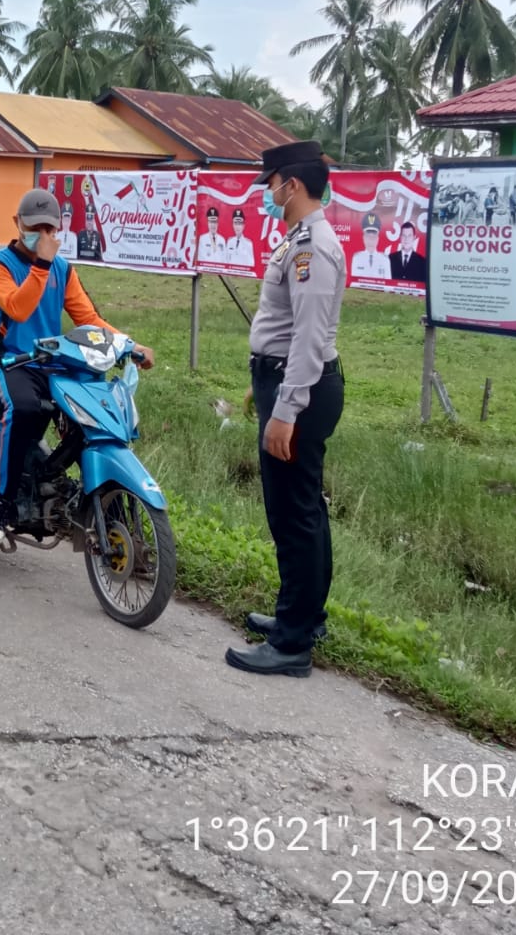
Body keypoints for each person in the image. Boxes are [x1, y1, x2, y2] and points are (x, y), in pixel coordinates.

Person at [226, 140, 345, 679]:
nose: (268, 194)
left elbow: (309, 338)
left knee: (293, 515)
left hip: (302, 389)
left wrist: (286, 408)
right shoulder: (301, 240)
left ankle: (292, 643)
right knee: (304, 508)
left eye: (271, 185)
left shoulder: (310, 249)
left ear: (291, 185)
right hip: (285, 382)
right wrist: (263, 389)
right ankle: (304, 617)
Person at [0, 188, 154, 540]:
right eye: (35, 228)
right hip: (13, 362)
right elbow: (18, 308)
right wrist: (42, 265)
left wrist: (129, 345)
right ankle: (0, 501)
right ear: (17, 223)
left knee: (93, 417)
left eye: (49, 229)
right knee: (23, 410)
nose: (43, 235)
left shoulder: (63, 269)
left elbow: (87, 319)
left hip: (54, 363)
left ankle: (104, 507)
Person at [350, 212, 388, 280]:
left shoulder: (385, 260)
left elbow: (388, 283)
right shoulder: (357, 258)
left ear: (378, 239)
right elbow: (354, 280)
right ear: (363, 238)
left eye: (373, 236)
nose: (371, 240)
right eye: (368, 236)